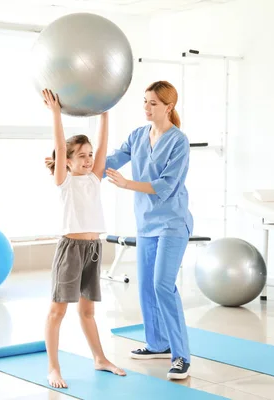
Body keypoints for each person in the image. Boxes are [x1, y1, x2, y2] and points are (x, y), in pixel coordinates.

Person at [105, 80, 193, 380]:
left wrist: (128, 184)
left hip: (172, 223)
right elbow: (112, 160)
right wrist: (75, 161)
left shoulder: (178, 141)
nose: (146, 107)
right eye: (144, 101)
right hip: (146, 224)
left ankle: (181, 355)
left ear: (169, 107)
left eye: (153, 103)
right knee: (145, 288)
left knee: (162, 285)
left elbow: (167, 186)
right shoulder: (139, 136)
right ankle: (157, 343)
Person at [41, 88, 126, 389]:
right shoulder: (64, 181)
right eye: (82, 156)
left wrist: (104, 112)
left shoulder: (94, 178)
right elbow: (59, 147)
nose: (89, 160)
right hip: (71, 249)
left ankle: (100, 358)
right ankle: (53, 367)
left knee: (88, 310)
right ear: (68, 161)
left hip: (93, 249)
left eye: (90, 156)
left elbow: (103, 145)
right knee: (57, 310)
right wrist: (55, 113)